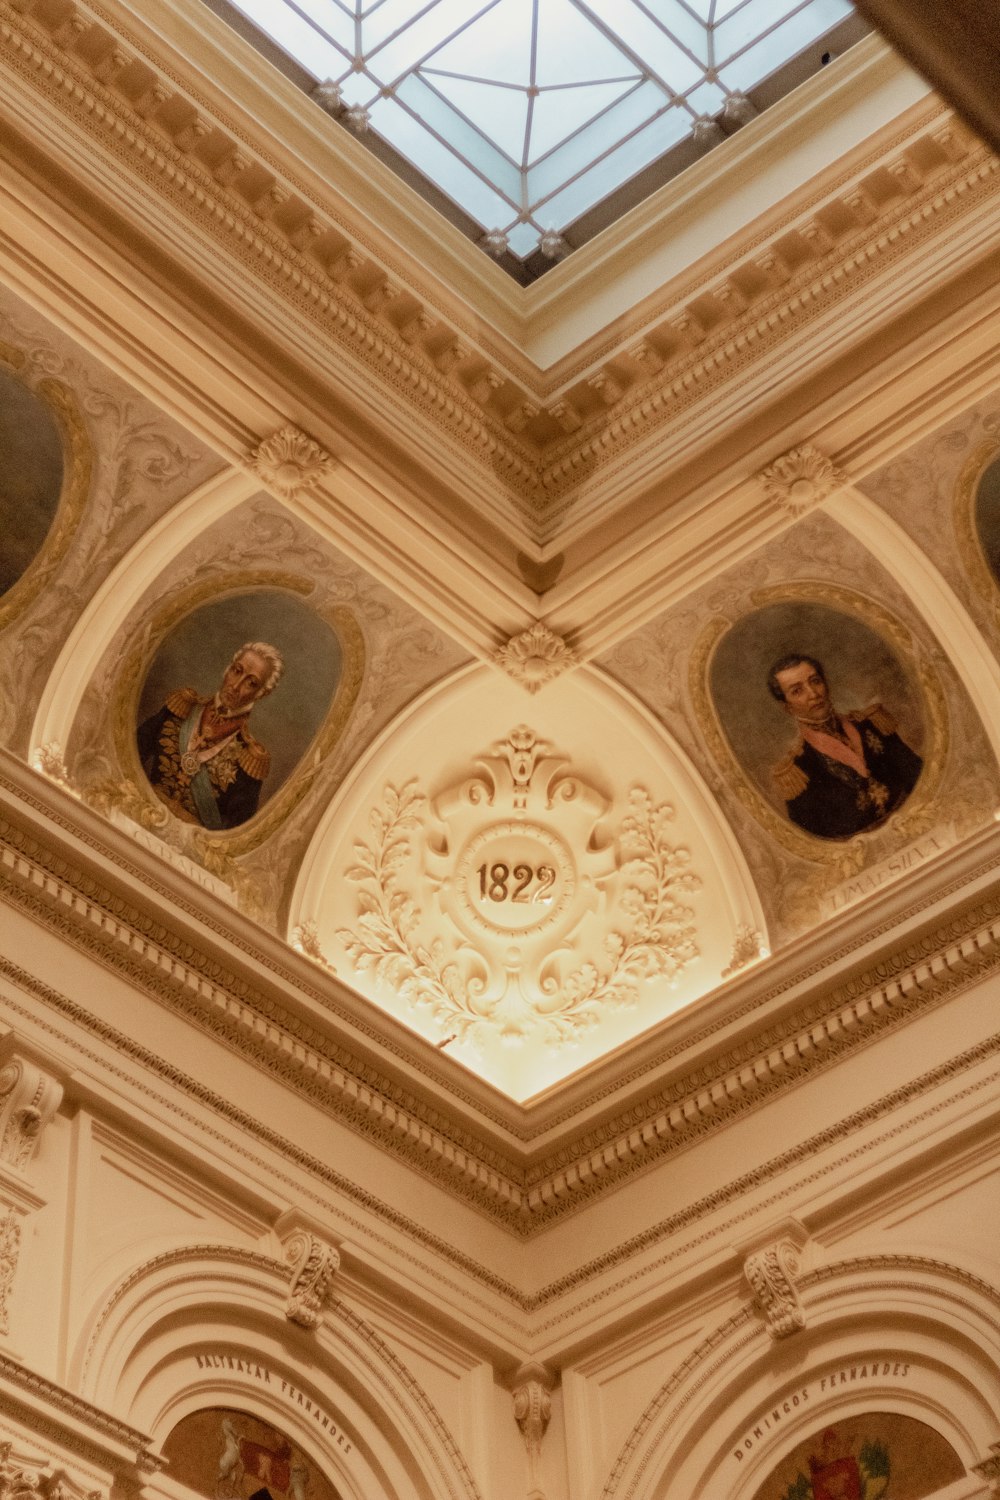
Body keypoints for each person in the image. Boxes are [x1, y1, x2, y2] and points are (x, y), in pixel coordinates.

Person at [768, 653, 922, 840]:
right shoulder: (797, 770)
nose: (813, 694)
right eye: (797, 691)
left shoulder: (872, 723)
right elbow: (817, 839)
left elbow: (917, 776)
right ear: (787, 706)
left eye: (815, 681)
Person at [137, 641, 283, 830]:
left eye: (251, 683)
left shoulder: (251, 759)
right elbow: (133, 751)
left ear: (262, 693)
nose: (236, 686)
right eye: (237, 671)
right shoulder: (183, 706)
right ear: (227, 669)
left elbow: (232, 831)